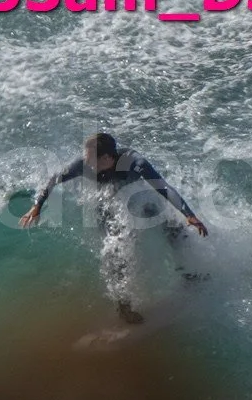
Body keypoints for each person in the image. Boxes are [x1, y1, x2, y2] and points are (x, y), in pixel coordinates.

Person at [20, 132, 208, 323]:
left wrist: (189, 215)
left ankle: (190, 274)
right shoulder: (83, 165)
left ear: (107, 158)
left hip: (139, 199)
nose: (85, 163)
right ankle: (124, 307)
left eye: (90, 159)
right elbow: (53, 180)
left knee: (174, 229)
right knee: (117, 251)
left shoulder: (135, 162)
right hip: (108, 206)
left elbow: (164, 188)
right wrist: (37, 206)